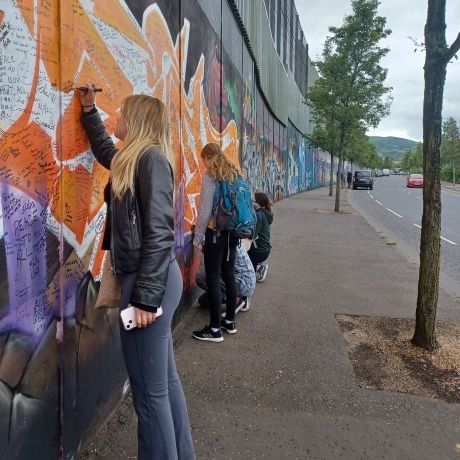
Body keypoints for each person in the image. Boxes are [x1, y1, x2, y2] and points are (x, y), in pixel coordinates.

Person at [79, 85, 195, 460]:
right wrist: (88, 110)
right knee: (163, 383)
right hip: (152, 280)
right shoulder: (133, 160)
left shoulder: (151, 161)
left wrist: (145, 297)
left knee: (148, 392)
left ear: (138, 120)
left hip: (149, 284)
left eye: (122, 112)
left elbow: (160, 232)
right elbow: (106, 152)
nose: (117, 117)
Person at [192, 143, 239, 342]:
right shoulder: (234, 174)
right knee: (229, 274)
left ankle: (214, 329)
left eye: (204, 159)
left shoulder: (210, 177)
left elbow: (204, 212)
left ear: (210, 157)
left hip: (215, 234)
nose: (203, 163)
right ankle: (229, 321)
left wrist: (197, 237)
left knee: (213, 278)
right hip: (232, 234)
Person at [195, 241, 256, 312]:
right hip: (244, 280)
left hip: (243, 283)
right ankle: (238, 297)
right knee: (203, 301)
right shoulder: (231, 239)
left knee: (201, 278)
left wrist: (207, 251)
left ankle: (235, 300)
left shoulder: (227, 245)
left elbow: (216, 269)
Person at [247, 192, 273, 283]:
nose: (251, 202)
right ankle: (259, 267)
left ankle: (257, 270)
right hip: (265, 249)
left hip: (259, 251)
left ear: (258, 203)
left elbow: (253, 235)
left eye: (253, 200)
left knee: (243, 255)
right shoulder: (264, 212)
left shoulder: (258, 215)